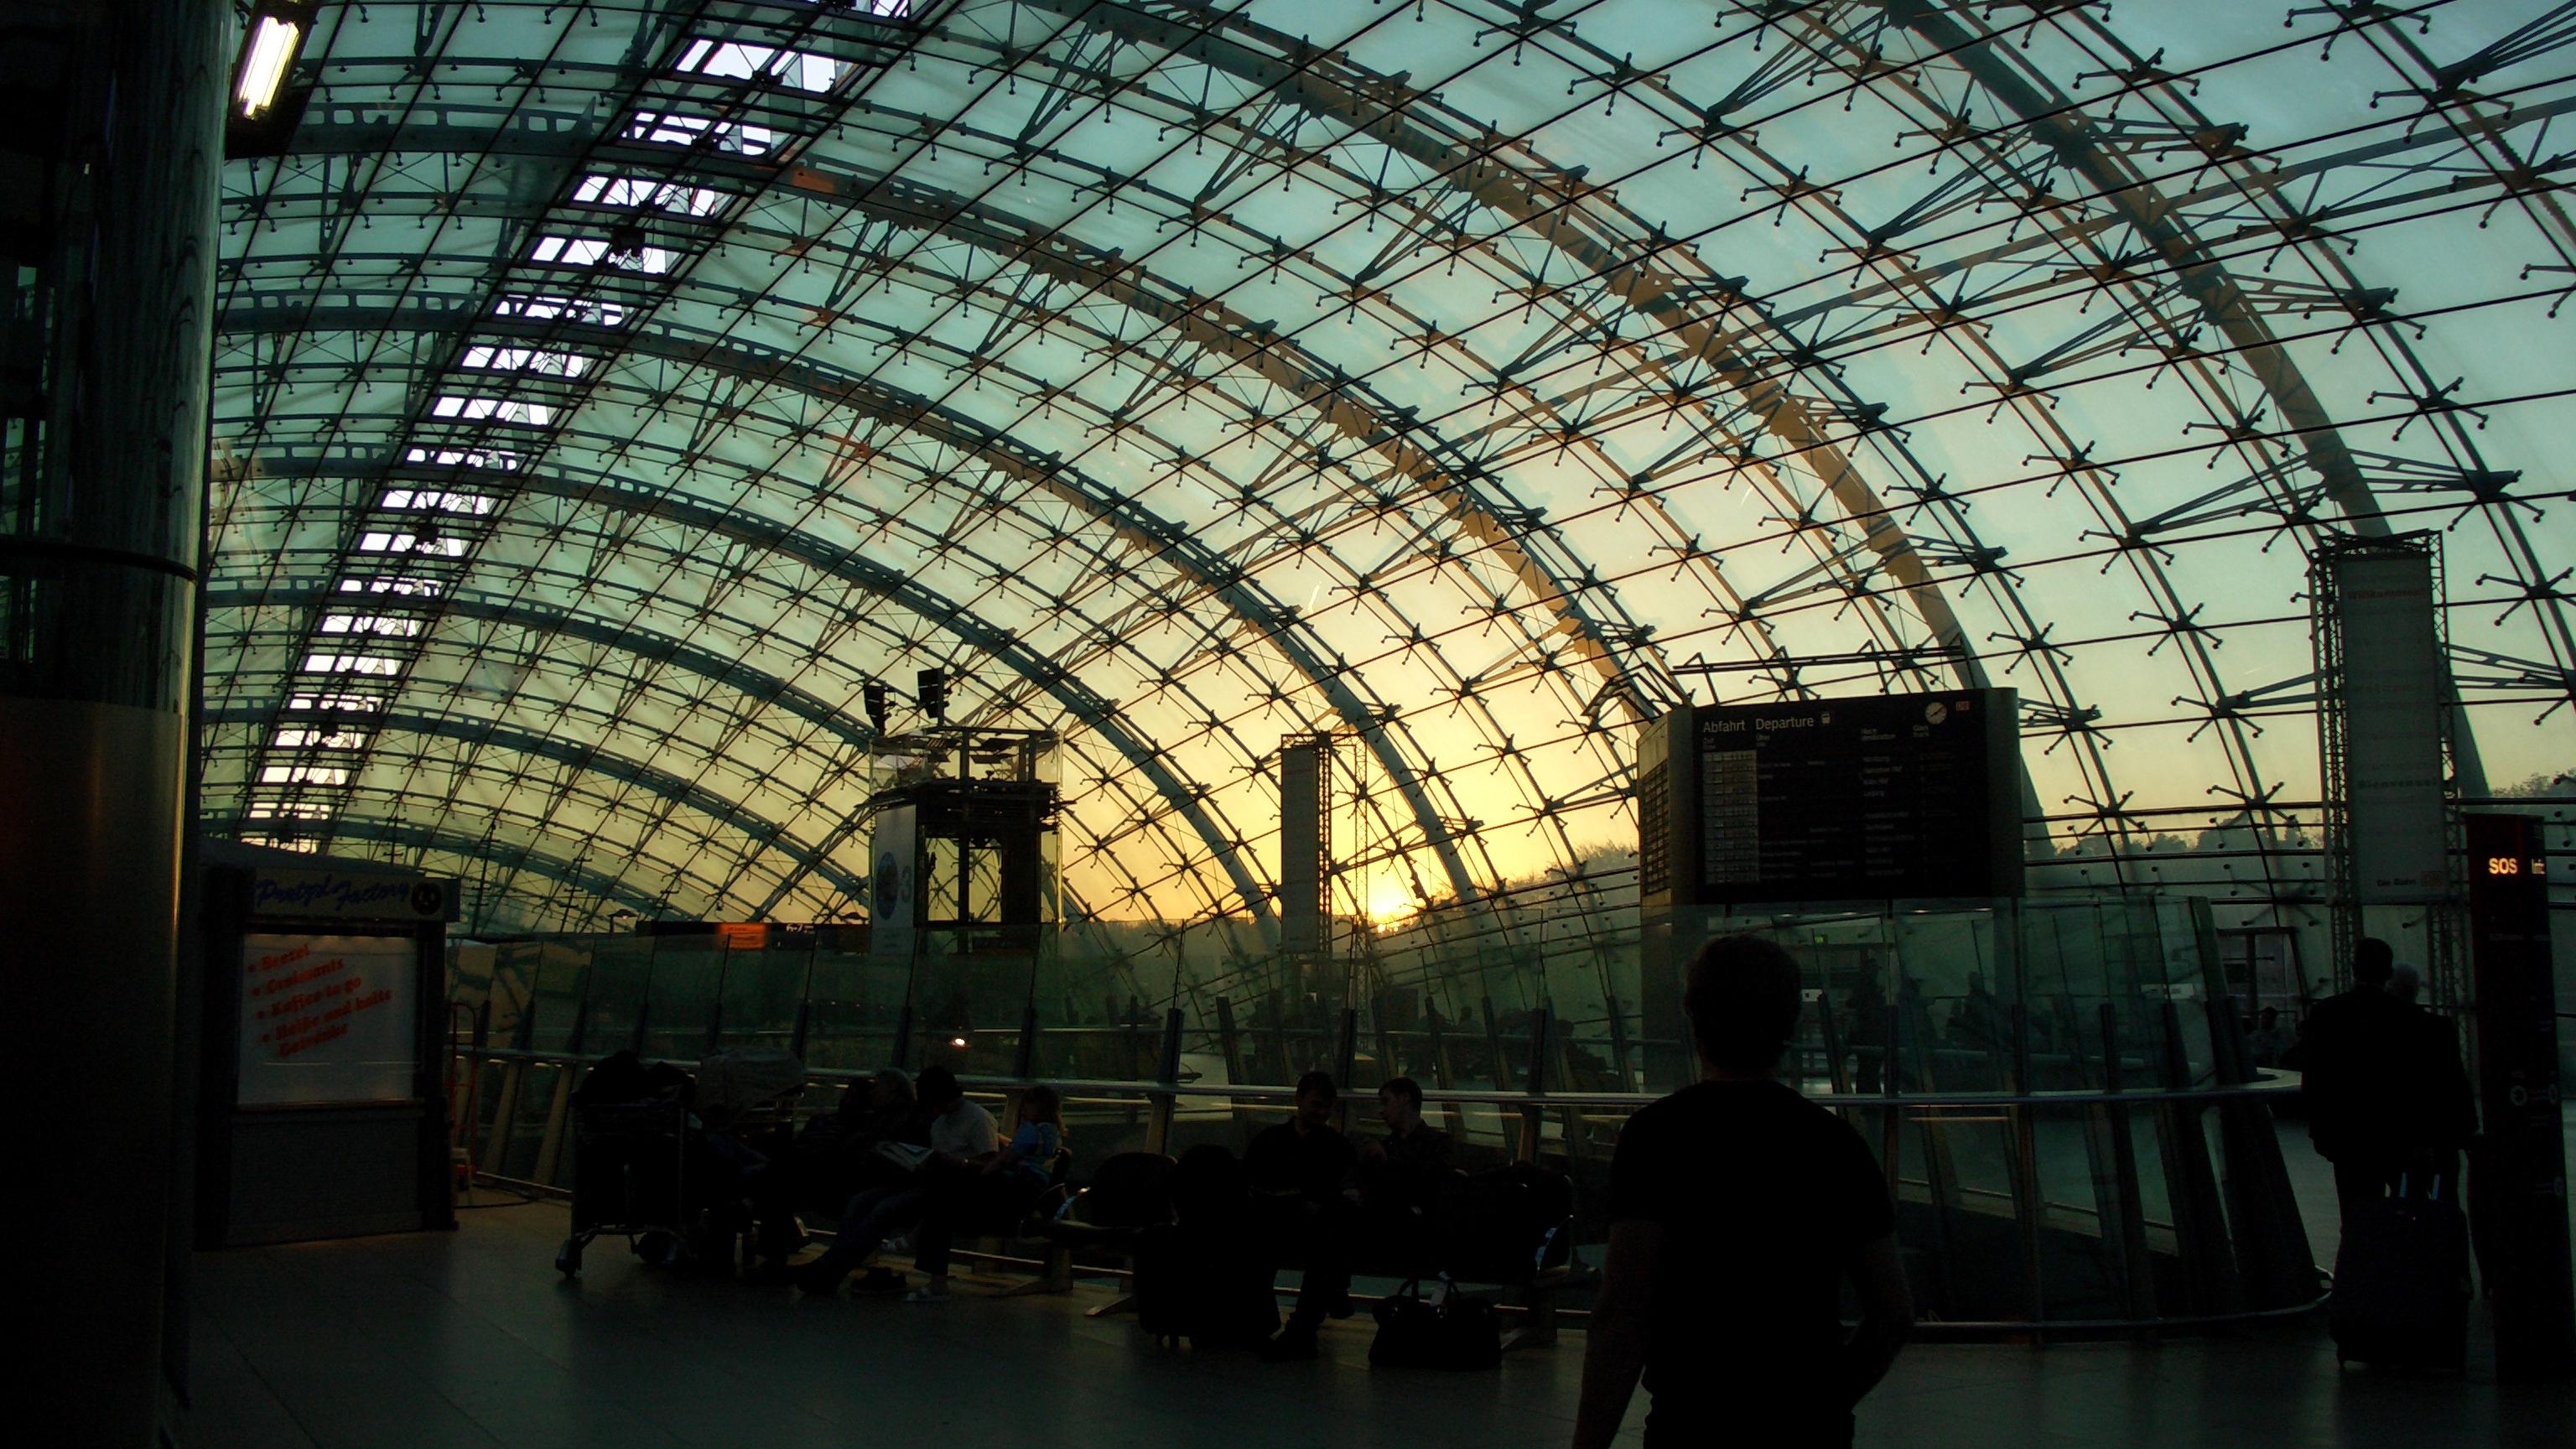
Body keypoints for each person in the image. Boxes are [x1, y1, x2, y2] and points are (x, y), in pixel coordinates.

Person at [1574, 935, 1912, 1449]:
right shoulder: (1834, 1143)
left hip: (1693, 1419)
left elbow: (1623, 1314)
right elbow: (1892, 1313)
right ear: (1789, 1023)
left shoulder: (1657, 1137)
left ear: (1693, 1018)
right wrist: (1824, 1398)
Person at [791, 1065, 996, 1294]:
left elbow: (990, 1162)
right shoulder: (940, 1121)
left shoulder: (976, 1118)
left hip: (949, 1189)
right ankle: (831, 1265)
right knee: (861, 1202)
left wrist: (958, 1163)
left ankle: (830, 1267)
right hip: (926, 1182)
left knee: (883, 1208)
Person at [2299, 937, 2429, 1228]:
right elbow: (2420, 1083)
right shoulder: (2409, 1017)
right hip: (2396, 1135)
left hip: (2348, 1135)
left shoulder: (2326, 1013)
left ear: (2354, 968)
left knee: (2356, 1217)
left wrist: (2320, 1130)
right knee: (2407, 1214)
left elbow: (2315, 1076)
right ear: (2388, 973)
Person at [902, 1085, 1067, 1302]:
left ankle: (928, 1263)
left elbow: (1002, 1161)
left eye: (1028, 1104)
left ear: (1039, 1107)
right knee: (942, 1202)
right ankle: (921, 1243)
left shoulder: (1029, 1130)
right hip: (1029, 1195)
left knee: (942, 1200)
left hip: (1012, 1192)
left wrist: (978, 1172)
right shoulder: (1052, 1133)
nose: (1024, 1109)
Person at [1244, 1071, 1358, 1360]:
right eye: (1317, 1105)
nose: (1322, 1113)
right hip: (1308, 1228)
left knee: (1261, 1249)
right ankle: (1302, 1329)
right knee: (1327, 1249)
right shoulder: (1337, 1146)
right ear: (1299, 1100)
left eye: (1325, 1107)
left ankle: (1262, 1325)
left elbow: (1250, 1180)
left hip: (1278, 1226)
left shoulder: (1270, 1140)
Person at [2384, 966, 2477, 1192]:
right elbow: (2456, 1082)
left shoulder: (2382, 1032)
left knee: (2404, 1196)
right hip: (2439, 1136)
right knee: (2444, 1196)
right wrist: (2468, 1130)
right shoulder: (2439, 1028)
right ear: (2416, 991)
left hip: (2398, 1139)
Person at [1349, 1077, 1452, 1270]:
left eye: (1386, 1101)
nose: (1382, 1110)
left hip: (1405, 1232)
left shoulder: (1390, 1149)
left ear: (1405, 1098)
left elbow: (1430, 1181)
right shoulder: (1437, 1143)